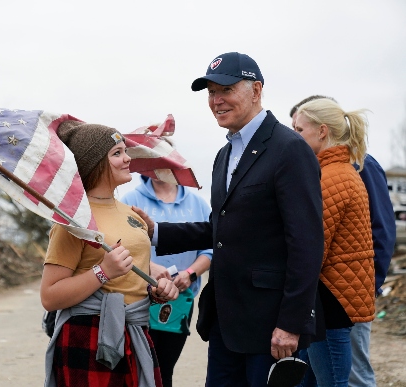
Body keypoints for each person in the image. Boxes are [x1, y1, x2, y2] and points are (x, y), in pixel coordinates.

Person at [132, 52, 324, 387]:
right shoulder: (224, 155)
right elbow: (220, 229)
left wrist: (291, 323)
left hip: (270, 326)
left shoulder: (289, 149)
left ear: (256, 90)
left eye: (227, 89)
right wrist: (156, 231)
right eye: (210, 92)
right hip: (225, 320)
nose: (216, 100)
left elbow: (307, 243)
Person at [40, 120, 179, 387]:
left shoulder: (133, 215)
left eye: (125, 151)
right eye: (117, 153)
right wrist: (102, 272)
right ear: (93, 163)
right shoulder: (74, 221)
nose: (128, 159)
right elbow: (50, 296)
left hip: (136, 332)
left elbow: (131, 279)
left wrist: (155, 290)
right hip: (89, 335)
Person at [291, 95, 396, 387]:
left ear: (322, 131)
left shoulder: (334, 178)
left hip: (334, 302)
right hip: (336, 297)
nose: (294, 137)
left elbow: (311, 249)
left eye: (299, 130)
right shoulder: (336, 172)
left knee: (342, 381)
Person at [121, 174, 213, 387]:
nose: (157, 169)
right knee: (136, 364)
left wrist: (190, 273)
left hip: (180, 300)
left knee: (164, 367)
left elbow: (209, 249)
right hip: (139, 299)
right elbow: (119, 244)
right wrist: (150, 267)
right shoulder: (131, 200)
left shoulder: (197, 203)